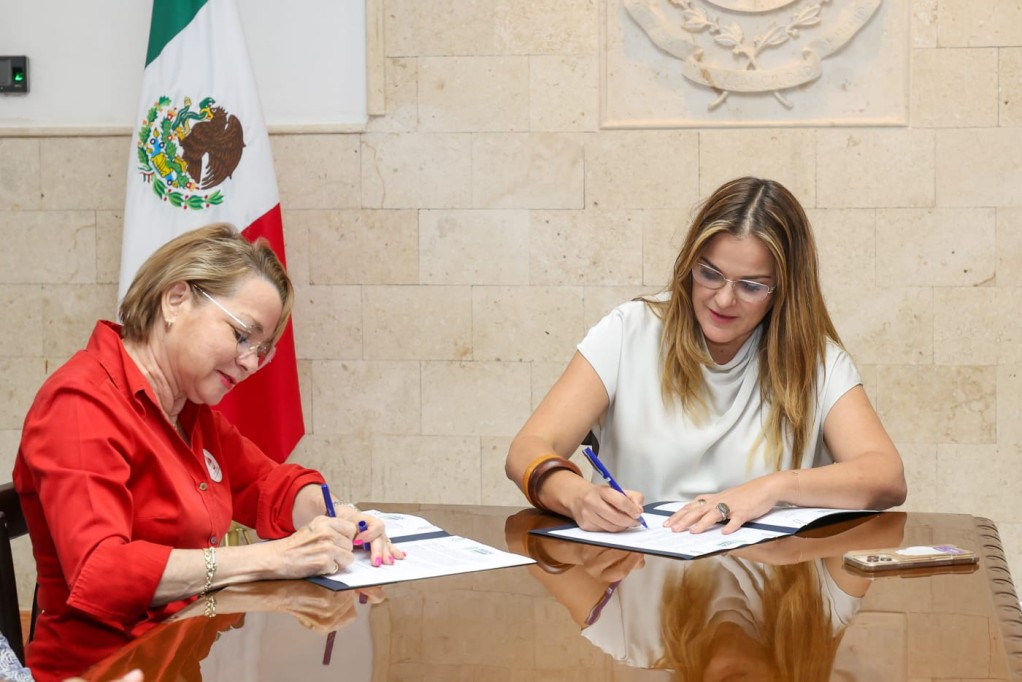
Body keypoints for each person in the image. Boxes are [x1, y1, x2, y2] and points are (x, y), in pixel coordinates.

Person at [12, 224, 404, 681]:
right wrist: (274, 558)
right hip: (105, 671)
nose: (251, 363)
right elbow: (101, 572)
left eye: (263, 350)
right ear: (176, 300)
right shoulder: (81, 403)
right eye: (242, 335)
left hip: (180, 658)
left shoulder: (189, 411)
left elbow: (267, 485)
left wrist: (335, 514)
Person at [506, 177, 907, 533]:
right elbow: (527, 448)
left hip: (762, 582)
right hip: (633, 573)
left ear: (784, 290)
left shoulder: (817, 361)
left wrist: (771, 488)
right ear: (689, 265)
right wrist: (577, 496)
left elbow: (886, 476)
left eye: (751, 286)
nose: (724, 299)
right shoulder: (630, 331)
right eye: (710, 274)